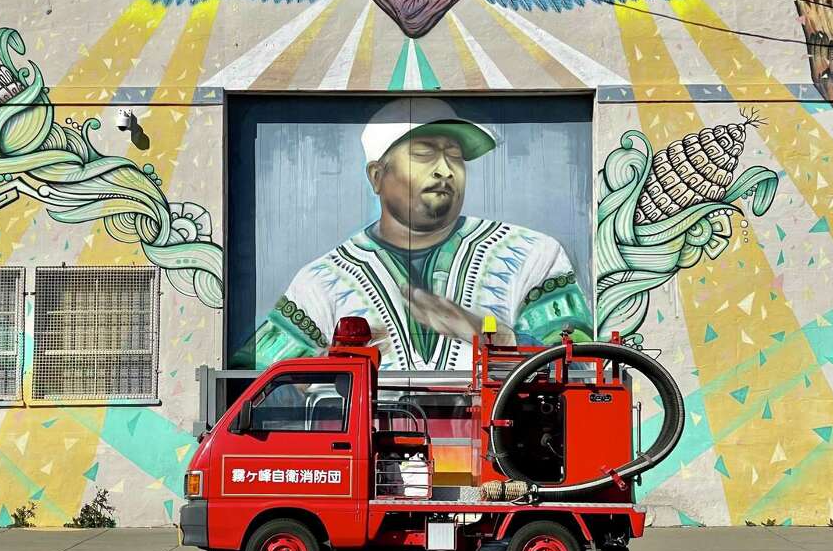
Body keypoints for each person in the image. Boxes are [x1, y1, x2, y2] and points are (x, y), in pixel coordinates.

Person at [251, 98, 592, 370]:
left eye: (454, 156)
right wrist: (330, 368)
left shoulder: (532, 255)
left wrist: (491, 332)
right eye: (424, 153)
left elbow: (585, 367)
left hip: (501, 451)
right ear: (376, 176)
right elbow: (253, 386)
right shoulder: (322, 281)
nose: (445, 169)